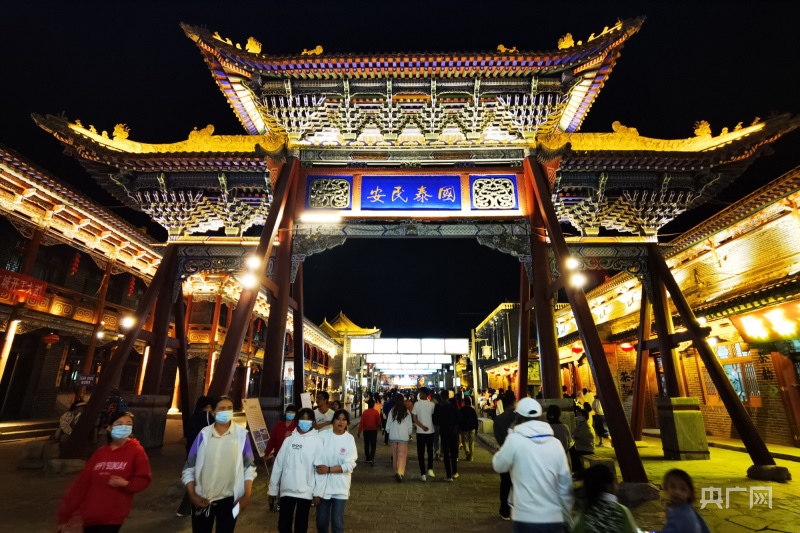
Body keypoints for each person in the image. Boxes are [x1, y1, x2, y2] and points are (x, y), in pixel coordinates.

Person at [57, 411, 151, 533]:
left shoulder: (137, 451)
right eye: (119, 424)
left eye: (128, 424)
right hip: (90, 516)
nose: (124, 427)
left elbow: (143, 478)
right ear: (109, 428)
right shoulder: (100, 453)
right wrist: (65, 515)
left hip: (113, 518)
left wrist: (126, 484)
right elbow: (81, 485)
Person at [492, 397, 572, 532]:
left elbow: (498, 465)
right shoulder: (555, 444)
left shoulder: (514, 440)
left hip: (525, 515)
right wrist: (566, 515)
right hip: (553, 516)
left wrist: (511, 433)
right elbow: (564, 484)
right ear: (540, 417)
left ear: (518, 417)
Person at [182, 395, 256, 533]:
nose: (226, 411)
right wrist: (192, 495)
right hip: (202, 500)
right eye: (222, 409)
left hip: (231, 501)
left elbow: (249, 467)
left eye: (229, 408)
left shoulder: (242, 435)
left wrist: (246, 496)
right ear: (213, 412)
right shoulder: (203, 435)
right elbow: (189, 467)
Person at [268, 408, 326, 533]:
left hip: (306, 491)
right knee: (283, 525)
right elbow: (278, 464)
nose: (305, 421)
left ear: (313, 422)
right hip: (287, 489)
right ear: (298, 420)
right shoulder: (289, 439)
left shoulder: (317, 441)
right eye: (302, 418)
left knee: (301, 525)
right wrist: (273, 488)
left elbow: (320, 468)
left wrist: (318, 492)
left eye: (308, 419)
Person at [315, 409, 358, 533]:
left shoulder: (349, 439)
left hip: (340, 488)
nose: (341, 422)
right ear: (333, 421)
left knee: (337, 524)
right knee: (321, 522)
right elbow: (315, 458)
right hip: (323, 488)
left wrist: (329, 469)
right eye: (338, 418)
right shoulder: (323, 436)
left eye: (344, 419)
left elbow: (350, 464)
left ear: (347, 422)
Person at [177, 395, 216, 517]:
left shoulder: (194, 417)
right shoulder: (208, 417)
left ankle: (187, 508)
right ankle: (188, 508)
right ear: (208, 406)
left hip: (192, 451)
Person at [572, 464, 638, 533]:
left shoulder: (585, 512)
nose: (617, 487)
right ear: (608, 486)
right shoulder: (621, 511)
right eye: (615, 482)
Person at [661, 469, 711, 533]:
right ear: (666, 487)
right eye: (672, 487)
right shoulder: (689, 510)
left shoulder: (680, 516)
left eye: (683, 489)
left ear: (689, 493)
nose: (677, 492)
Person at [492, 390, 517, 521]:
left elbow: (499, 439)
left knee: (505, 482)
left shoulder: (498, 419)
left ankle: (504, 510)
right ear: (514, 401)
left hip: (505, 453)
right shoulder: (520, 417)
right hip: (520, 455)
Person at [385, 392, 413, 482]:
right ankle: (400, 472)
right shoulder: (406, 411)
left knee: (395, 455)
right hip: (403, 436)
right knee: (402, 455)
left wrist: (388, 431)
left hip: (393, 436)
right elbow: (409, 425)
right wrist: (409, 433)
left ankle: (396, 471)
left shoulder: (392, 411)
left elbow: (388, 423)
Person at [433, 391, 460, 481]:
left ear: (441, 397)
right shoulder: (453, 407)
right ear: (448, 396)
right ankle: (455, 472)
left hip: (444, 431)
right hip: (453, 431)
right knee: (453, 452)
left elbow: (435, 420)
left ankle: (448, 475)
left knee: (446, 453)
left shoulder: (438, 407)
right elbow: (459, 419)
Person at [411, 386, 435, 480]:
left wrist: (422, 427)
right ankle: (430, 469)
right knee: (430, 451)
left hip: (420, 432)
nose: (419, 394)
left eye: (420, 393)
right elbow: (434, 418)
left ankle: (423, 474)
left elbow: (414, 419)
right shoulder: (432, 405)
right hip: (430, 431)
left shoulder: (417, 404)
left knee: (420, 453)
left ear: (423, 394)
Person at [545, 404, 573, 470]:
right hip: (563, 460)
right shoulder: (565, 427)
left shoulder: (544, 428)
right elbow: (569, 443)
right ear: (559, 414)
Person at [571, 408, 596, 476]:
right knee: (571, 451)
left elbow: (580, 435)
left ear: (584, 417)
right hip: (582, 446)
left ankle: (579, 471)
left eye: (580, 415)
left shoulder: (586, 426)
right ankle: (578, 470)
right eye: (577, 415)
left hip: (587, 448)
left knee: (574, 454)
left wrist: (574, 436)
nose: (578, 417)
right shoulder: (581, 425)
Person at [357, 399, 381, 465]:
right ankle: (372, 459)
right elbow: (379, 422)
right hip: (373, 431)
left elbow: (362, 423)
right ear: (373, 405)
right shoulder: (376, 412)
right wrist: (379, 427)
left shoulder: (365, 412)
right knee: (373, 445)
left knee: (366, 445)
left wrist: (359, 432)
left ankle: (367, 458)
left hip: (366, 431)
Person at [459, 396, 479, 461]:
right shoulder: (472, 410)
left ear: (464, 402)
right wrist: (476, 428)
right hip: (472, 427)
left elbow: (460, 419)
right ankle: (472, 456)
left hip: (464, 428)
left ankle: (467, 452)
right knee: (471, 442)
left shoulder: (461, 410)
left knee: (464, 441)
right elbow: (475, 420)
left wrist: (460, 427)